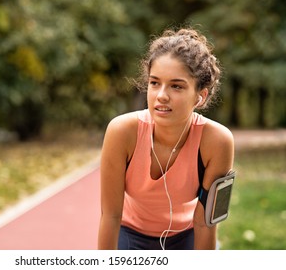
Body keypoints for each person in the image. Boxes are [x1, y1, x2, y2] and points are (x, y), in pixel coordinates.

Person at [98, 27, 234, 250]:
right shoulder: (122, 132)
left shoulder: (217, 141)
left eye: (176, 86)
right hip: (130, 233)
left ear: (200, 96)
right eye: (154, 83)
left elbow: (205, 223)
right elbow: (111, 215)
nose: (161, 95)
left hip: (187, 235)